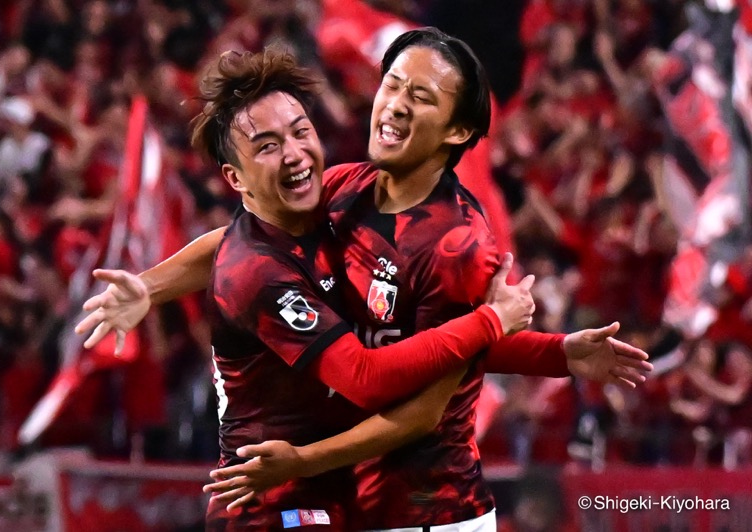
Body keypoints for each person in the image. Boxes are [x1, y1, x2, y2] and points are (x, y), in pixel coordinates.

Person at [77, 29, 652, 531]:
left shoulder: (458, 247)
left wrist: (555, 352)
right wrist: (149, 288)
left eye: (420, 96)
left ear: (456, 132)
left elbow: (420, 395)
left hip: (428, 513)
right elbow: (249, 246)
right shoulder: (345, 191)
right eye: (394, 84)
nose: (396, 105)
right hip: (312, 504)